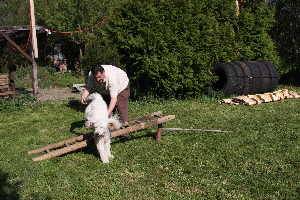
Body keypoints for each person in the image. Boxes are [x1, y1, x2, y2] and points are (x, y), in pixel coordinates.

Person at [81, 65, 130, 139]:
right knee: (107, 108)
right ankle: (109, 132)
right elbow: (89, 86)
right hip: (106, 90)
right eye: (96, 77)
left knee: (121, 109)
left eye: (99, 77)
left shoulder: (112, 77)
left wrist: (105, 115)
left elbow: (114, 100)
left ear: (104, 72)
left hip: (121, 87)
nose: (97, 79)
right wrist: (83, 96)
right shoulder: (91, 75)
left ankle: (124, 134)